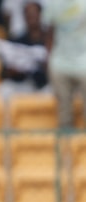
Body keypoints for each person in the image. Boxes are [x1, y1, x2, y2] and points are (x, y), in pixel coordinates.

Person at [41, 0, 86, 128]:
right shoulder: (53, 3)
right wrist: (49, 58)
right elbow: (49, 32)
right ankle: (66, 146)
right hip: (60, 63)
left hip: (84, 62)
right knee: (64, 114)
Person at [0, 0, 50, 100]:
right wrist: (12, 71)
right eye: (29, 15)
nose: (32, 18)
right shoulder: (16, 40)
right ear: (24, 17)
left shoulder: (48, 40)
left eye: (34, 14)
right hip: (22, 84)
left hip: (43, 85)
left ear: (41, 15)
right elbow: (2, 73)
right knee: (4, 89)